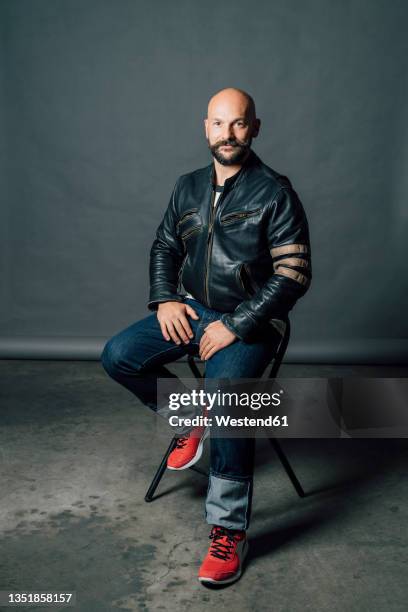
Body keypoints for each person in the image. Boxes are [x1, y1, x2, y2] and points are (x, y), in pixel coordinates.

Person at [101, 87, 312, 586]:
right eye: (219, 124)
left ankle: (228, 529)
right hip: (192, 310)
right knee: (119, 356)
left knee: (227, 398)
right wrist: (165, 297)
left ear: (255, 128)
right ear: (206, 128)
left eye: (239, 124)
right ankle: (188, 417)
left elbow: (294, 274)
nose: (228, 134)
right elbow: (164, 245)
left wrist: (237, 324)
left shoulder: (275, 192)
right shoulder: (187, 186)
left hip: (252, 320)